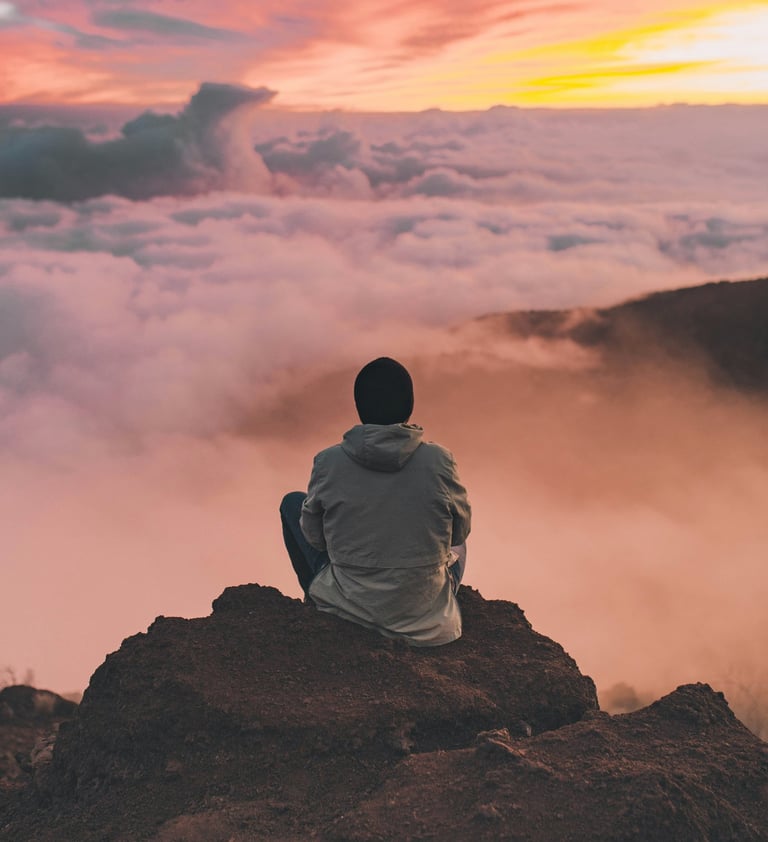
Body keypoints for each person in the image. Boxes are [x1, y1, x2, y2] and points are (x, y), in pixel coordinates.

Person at [280, 357, 471, 645]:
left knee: (292, 503)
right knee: (460, 546)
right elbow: (459, 532)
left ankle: (318, 603)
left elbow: (315, 539)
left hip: (348, 605)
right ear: (409, 408)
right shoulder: (439, 460)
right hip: (426, 619)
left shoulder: (328, 461)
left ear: (359, 408)